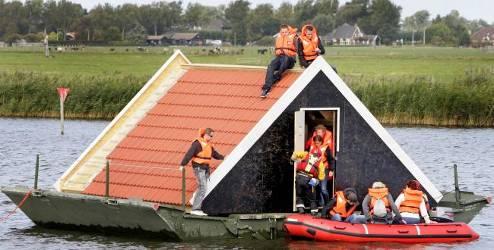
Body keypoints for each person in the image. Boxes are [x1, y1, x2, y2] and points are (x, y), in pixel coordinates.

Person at [179, 128, 224, 216]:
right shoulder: (197, 144)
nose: (211, 138)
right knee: (203, 187)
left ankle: (196, 203)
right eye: (211, 136)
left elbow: (215, 154)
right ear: (206, 135)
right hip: (199, 168)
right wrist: (182, 164)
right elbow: (189, 154)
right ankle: (196, 209)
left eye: (212, 136)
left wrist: (223, 157)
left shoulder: (208, 145)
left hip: (205, 168)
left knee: (202, 187)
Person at [260, 24, 298, 98]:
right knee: (271, 65)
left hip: (290, 59)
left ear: (288, 32)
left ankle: (276, 77)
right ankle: (266, 88)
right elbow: (276, 51)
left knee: (285, 60)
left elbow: (299, 51)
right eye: (282, 32)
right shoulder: (278, 38)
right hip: (280, 57)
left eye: (286, 32)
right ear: (280, 32)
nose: (284, 34)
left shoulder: (294, 38)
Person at [291, 135, 324, 214]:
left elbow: (295, 154)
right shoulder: (320, 163)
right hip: (309, 179)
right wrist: (318, 180)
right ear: (319, 156)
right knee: (312, 196)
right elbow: (321, 176)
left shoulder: (306, 154)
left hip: (299, 176)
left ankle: (301, 209)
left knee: (299, 194)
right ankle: (313, 211)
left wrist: (293, 159)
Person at [305, 124, 334, 208]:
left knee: (323, 189)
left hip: (324, 169)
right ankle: (319, 205)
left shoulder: (326, 147)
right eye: (317, 132)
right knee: (313, 187)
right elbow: (306, 154)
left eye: (320, 132)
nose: (318, 133)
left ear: (324, 133)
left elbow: (330, 159)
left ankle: (328, 204)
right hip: (315, 170)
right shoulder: (312, 146)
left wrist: (331, 170)